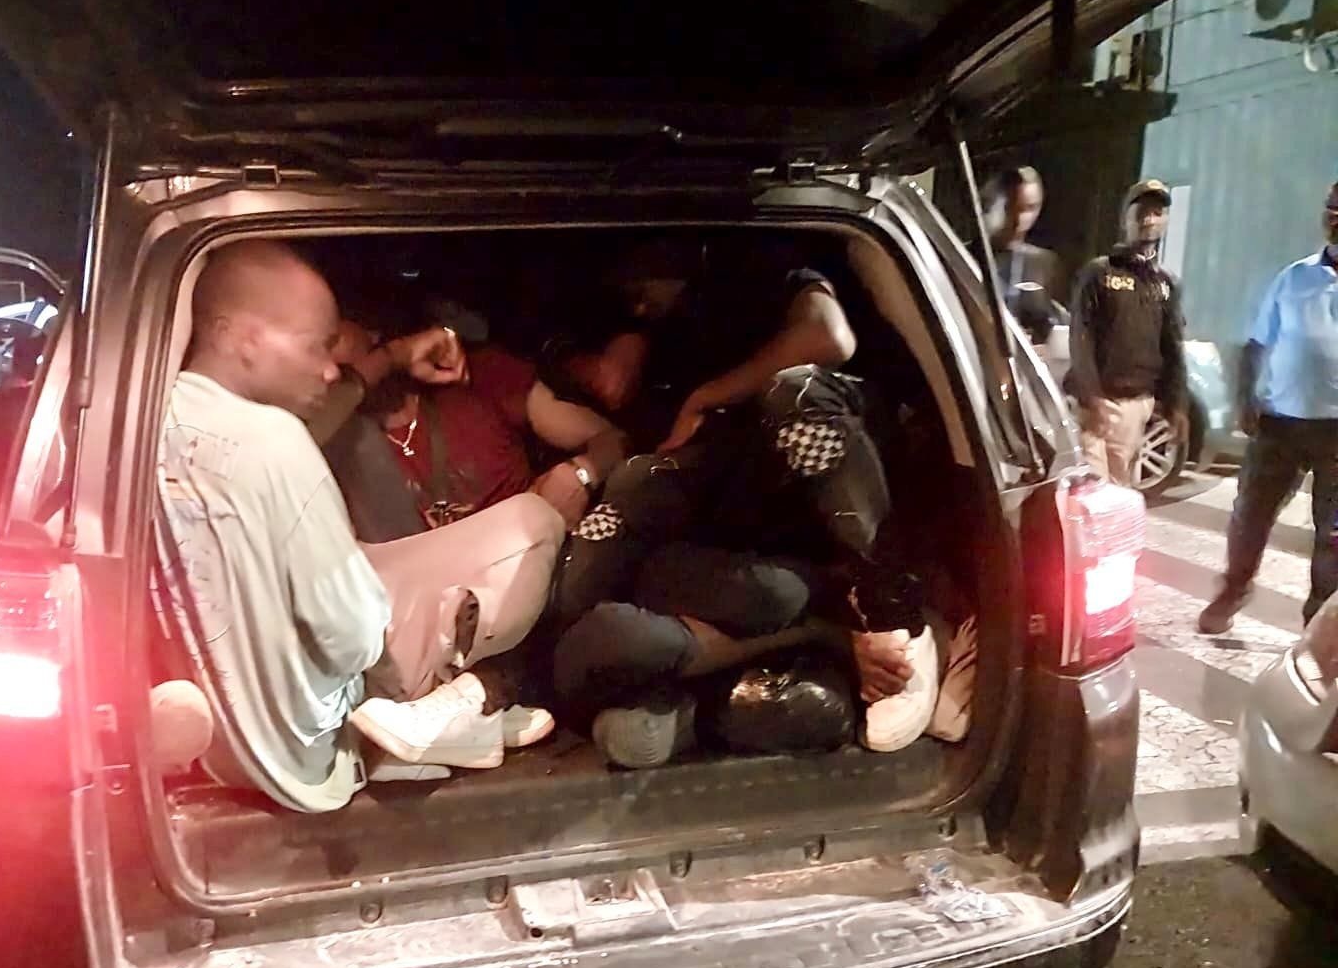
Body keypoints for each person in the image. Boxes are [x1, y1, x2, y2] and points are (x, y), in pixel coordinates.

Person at [153, 241, 563, 812]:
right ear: (241, 337)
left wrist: (391, 357)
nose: (329, 368)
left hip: (226, 746)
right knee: (535, 522)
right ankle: (432, 714)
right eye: (317, 347)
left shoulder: (152, 417)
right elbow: (353, 636)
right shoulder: (276, 442)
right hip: (317, 744)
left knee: (365, 560)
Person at [540, 240, 956, 762]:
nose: (639, 305)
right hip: (718, 554)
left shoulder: (749, 278)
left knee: (795, 396)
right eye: (629, 300)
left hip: (807, 509)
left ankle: (891, 617)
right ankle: (812, 641)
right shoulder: (635, 347)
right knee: (634, 656)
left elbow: (828, 336)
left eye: (644, 289)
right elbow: (592, 403)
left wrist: (706, 398)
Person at [322, 313, 629, 543]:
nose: (325, 366)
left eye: (329, 340)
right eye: (309, 350)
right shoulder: (326, 451)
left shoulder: (477, 377)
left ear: (369, 330)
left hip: (542, 559)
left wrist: (581, 474)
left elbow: (613, 440)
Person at [1198, 182, 1338, 634]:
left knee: (1333, 536)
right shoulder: (1294, 277)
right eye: (1331, 208)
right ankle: (1234, 588)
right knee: (1250, 515)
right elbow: (1256, 343)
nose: (1335, 217)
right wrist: (1246, 397)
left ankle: (1319, 623)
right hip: (1280, 423)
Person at [1065, 180, 1187, 488]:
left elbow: (1172, 345)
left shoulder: (1166, 283)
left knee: (1118, 490)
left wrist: (1177, 404)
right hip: (1097, 404)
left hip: (1136, 406)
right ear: (1125, 219)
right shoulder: (1099, 273)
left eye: (1158, 212)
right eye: (1141, 211)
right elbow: (1081, 337)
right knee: (1089, 492)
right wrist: (1091, 397)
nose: (1149, 219)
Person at [978, 165, 1065, 346]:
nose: (1020, 219)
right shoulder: (966, 256)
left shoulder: (1045, 263)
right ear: (993, 204)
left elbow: (1052, 324)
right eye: (1011, 207)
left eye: (1030, 208)